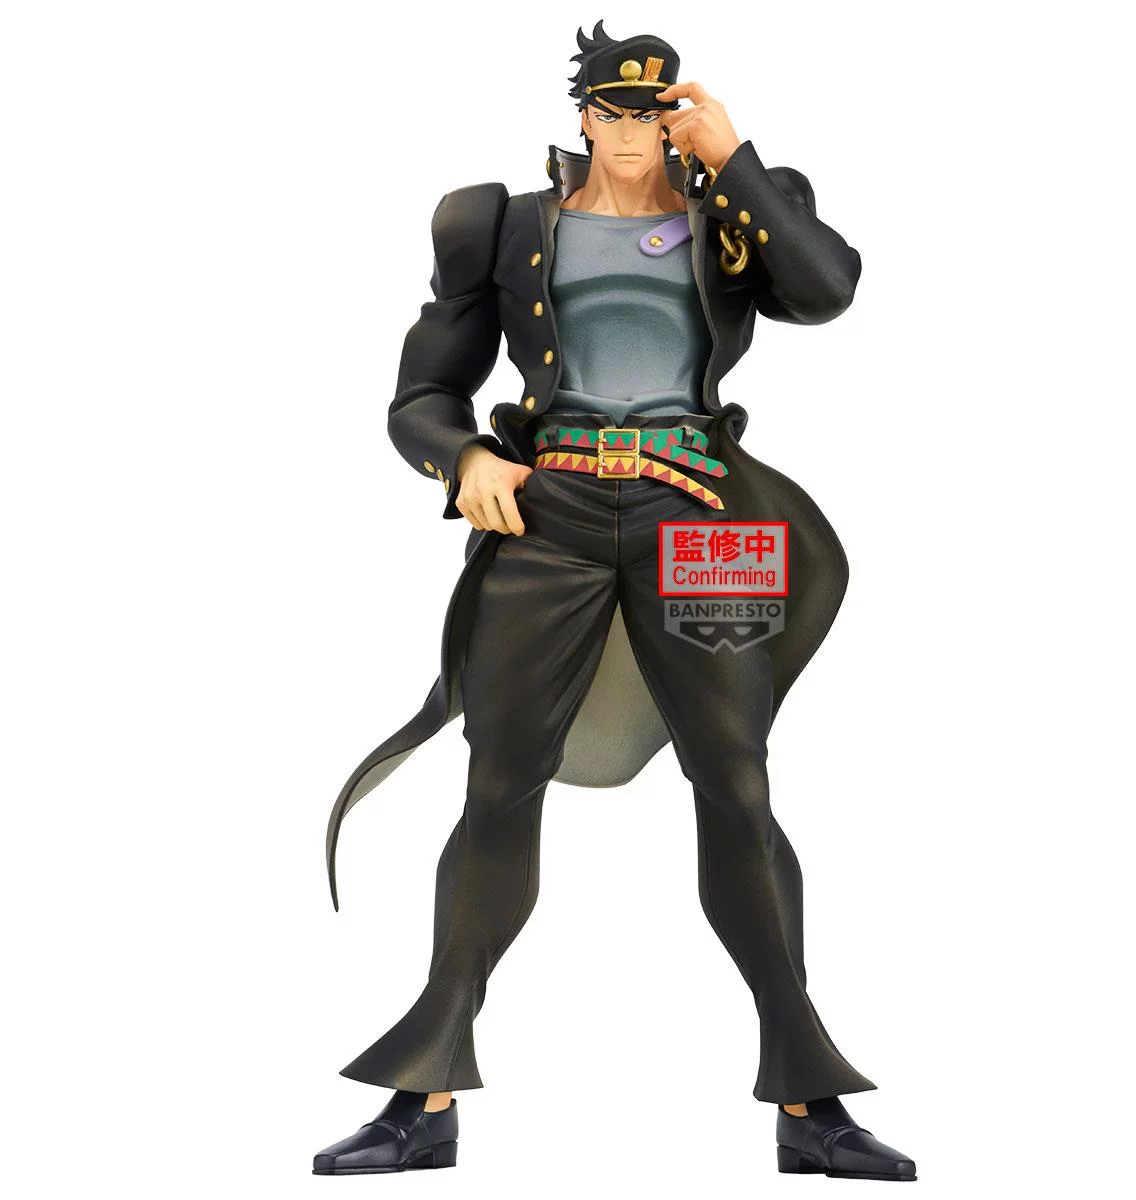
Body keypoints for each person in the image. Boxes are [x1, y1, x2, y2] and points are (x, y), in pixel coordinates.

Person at [313, 20, 917, 1182]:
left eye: (654, 111)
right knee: (499, 779)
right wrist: (463, 458)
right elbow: (422, 393)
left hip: (708, 517)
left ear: (677, 115)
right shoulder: (501, 225)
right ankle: (423, 1093)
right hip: (553, 516)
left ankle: (809, 1101)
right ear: (584, 115)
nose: (634, 131)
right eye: (614, 111)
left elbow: (828, 289)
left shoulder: (737, 211)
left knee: (736, 781)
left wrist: (734, 157)